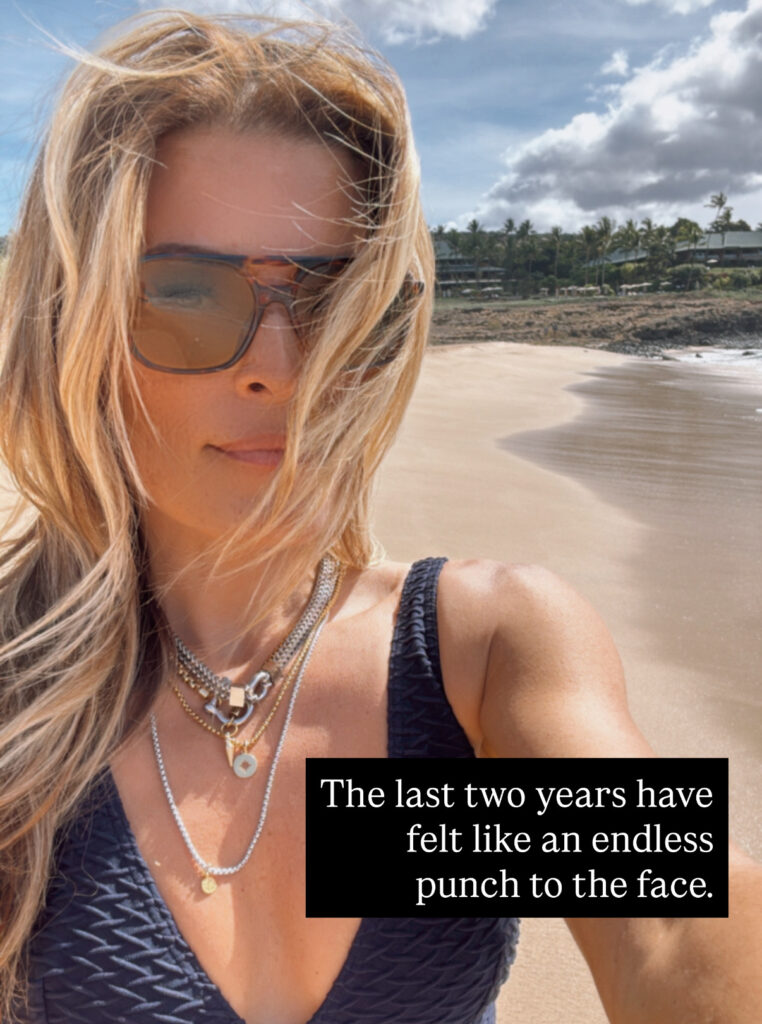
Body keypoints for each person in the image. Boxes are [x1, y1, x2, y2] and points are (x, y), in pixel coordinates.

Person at [0, 10, 759, 1024]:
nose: (281, 368)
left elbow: (669, 930)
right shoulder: (22, 691)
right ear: (75, 324)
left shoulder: (471, 663)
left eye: (333, 296)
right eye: (185, 294)